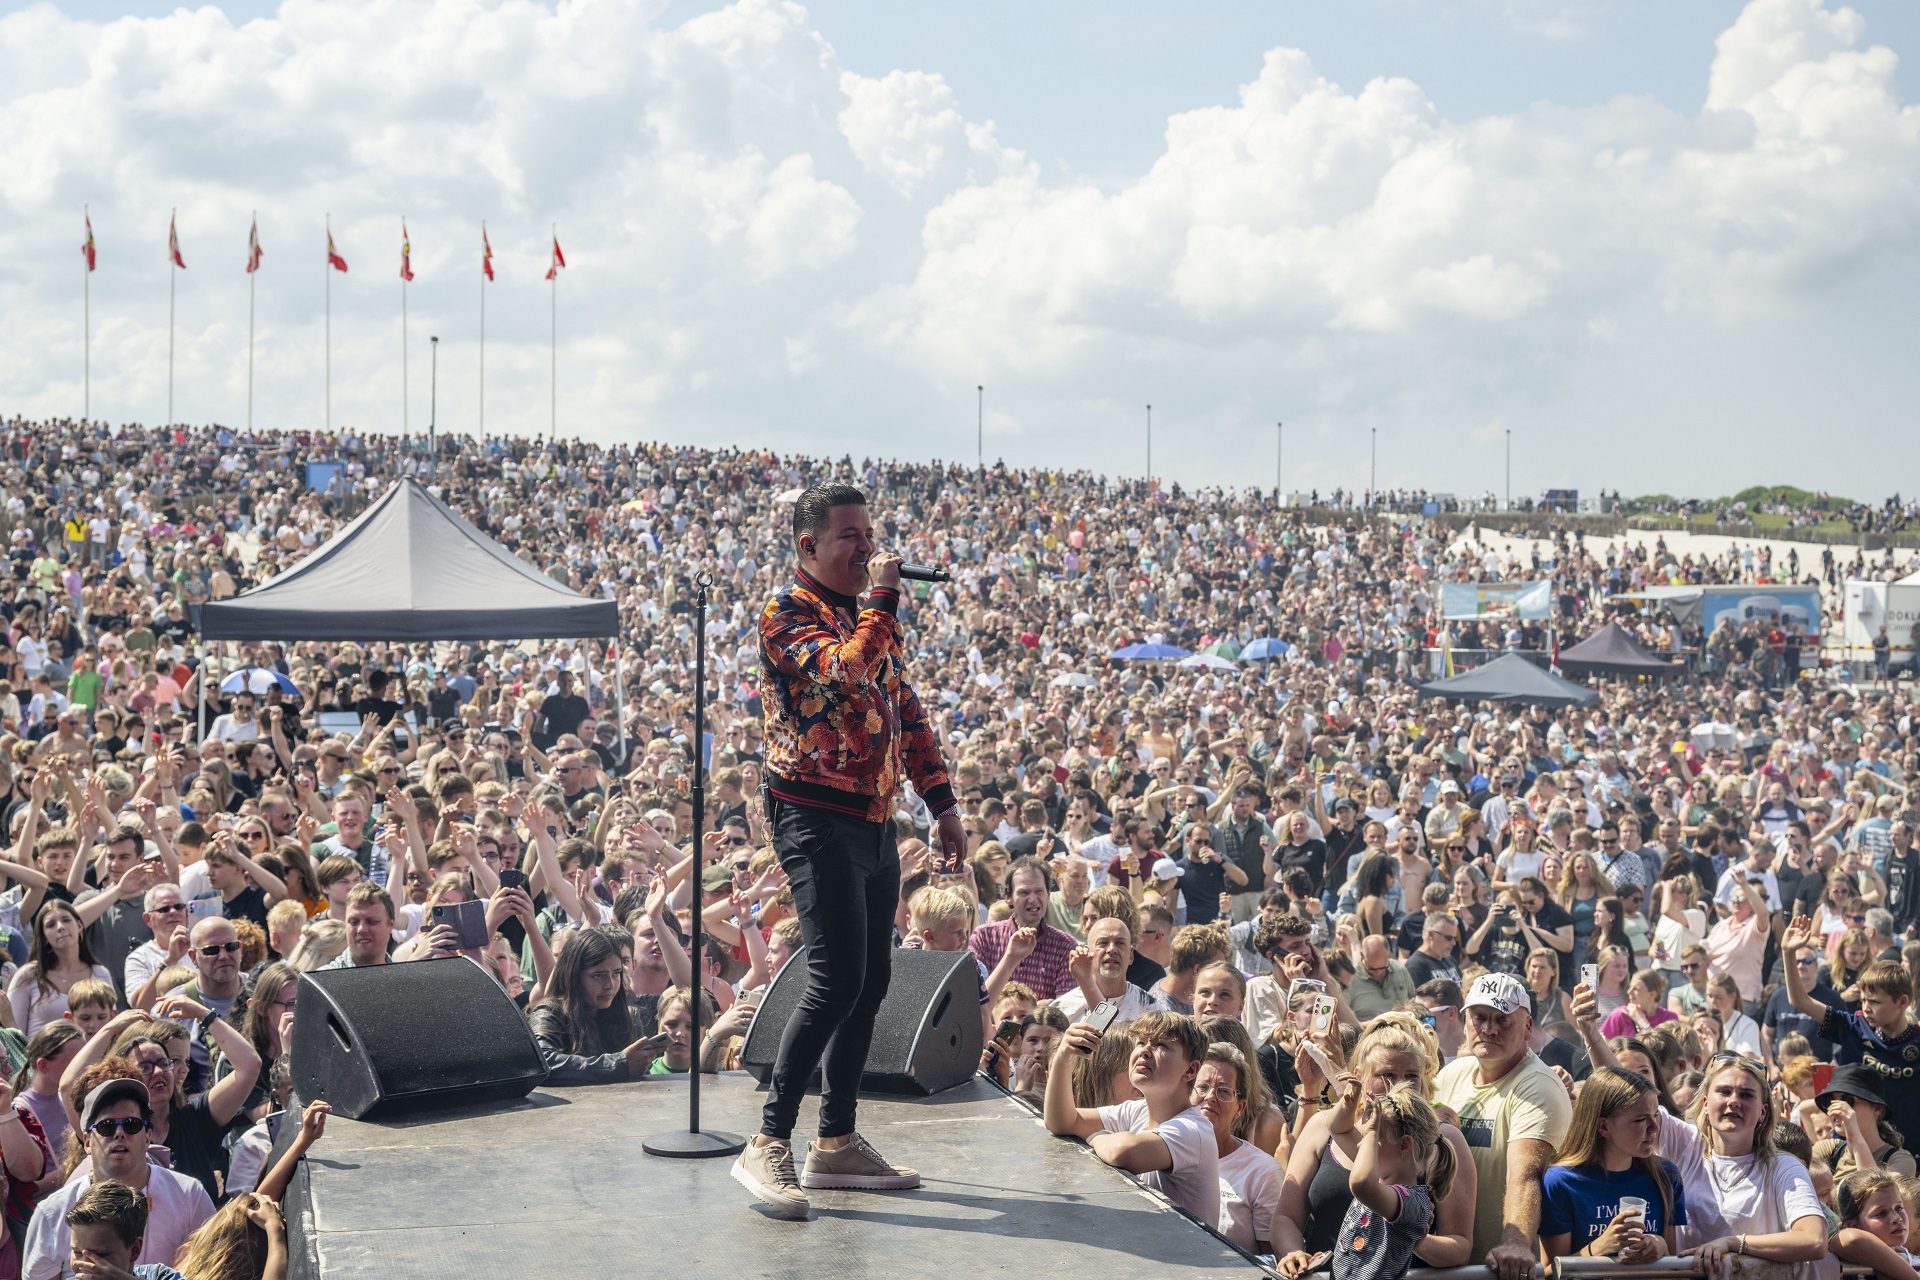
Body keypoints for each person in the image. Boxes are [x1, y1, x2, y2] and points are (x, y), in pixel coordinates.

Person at [732, 483, 966, 1219]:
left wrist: (942, 803)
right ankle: (767, 1139)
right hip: (813, 813)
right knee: (834, 977)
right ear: (808, 547)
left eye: (869, 534)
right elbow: (848, 671)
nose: (867, 547)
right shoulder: (787, 614)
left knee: (870, 981)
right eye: (850, 537)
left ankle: (834, 1140)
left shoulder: (868, 618)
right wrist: (886, 601)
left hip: (874, 816)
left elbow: (905, 711)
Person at [1572, 987, 1830, 1279]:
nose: (1733, 1101)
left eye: (1747, 1095)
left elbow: (1814, 1240)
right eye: (1723, 1092)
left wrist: (1734, 1244)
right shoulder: (1687, 1144)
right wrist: (1591, 1033)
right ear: (1706, 1104)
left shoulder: (1783, 1167)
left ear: (1763, 1112)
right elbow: (1623, 1093)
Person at [1275, 1014, 1477, 1272]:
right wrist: (1293, 1254)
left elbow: (1459, 1247)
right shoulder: (1322, 1126)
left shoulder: (1443, 1139)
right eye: (1387, 1074)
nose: (1401, 1084)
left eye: (1412, 1075)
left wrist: (1413, 1238)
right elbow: (1285, 1217)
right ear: (1359, 1075)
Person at [1431, 972, 1572, 1280]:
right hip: (1445, 1263)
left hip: (1503, 1269)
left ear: (1528, 1028)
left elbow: (1525, 1172)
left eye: (1502, 1020)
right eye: (1479, 1017)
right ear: (1466, 1021)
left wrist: (1516, 1243)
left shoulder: (1538, 1085)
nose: (1489, 1029)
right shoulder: (1450, 1075)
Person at [20, 1078, 216, 1279]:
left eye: (131, 1125)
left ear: (147, 1137)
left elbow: (212, 1271)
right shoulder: (52, 1213)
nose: (120, 1133)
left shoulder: (190, 1195)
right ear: (87, 1142)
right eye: (106, 1126)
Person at [1043, 1011, 1220, 1226]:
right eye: (1140, 1042)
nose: (1145, 1051)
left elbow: (1122, 1152)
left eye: (1161, 1045)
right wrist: (1063, 1059)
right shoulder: (1138, 1110)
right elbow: (1062, 1122)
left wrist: (1096, 1135)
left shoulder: (1194, 1130)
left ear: (1191, 1070)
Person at [1783, 912, 1920, 1152]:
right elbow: (1799, 1000)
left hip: (1908, 1154)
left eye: (1875, 1002)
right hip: (1852, 1149)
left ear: (1902, 1001)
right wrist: (1788, 952)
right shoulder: (1854, 1027)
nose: (1866, 1008)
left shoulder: (1917, 1042)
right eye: (1863, 1000)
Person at [1540, 1065, 1685, 1261]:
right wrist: (1599, 1247)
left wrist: (1661, 1247)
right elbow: (1550, 1272)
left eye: (1656, 1115)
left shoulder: (1666, 1175)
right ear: (1604, 1126)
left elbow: (1672, 1266)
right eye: (1641, 1119)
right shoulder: (1560, 1183)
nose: (1654, 1127)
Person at [1326, 1084, 1447, 1280]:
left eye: (1372, 1140)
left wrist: (1371, 1133)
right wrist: (1349, 1103)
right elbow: (1336, 1129)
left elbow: (1361, 1184)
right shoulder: (1379, 1178)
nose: (1361, 1143)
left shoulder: (1412, 1203)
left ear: (1404, 1145)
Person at [528, 925, 663, 1084]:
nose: (610, 985)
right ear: (573, 976)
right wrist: (618, 1064)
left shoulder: (629, 1016)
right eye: (598, 976)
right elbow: (543, 1063)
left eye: (616, 973)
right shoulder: (549, 1014)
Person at [1192, 1042, 1280, 1255]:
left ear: (1239, 1108)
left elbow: (1272, 1258)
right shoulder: (1162, 1155)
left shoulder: (1262, 1171)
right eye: (1202, 1087)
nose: (1210, 1096)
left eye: (1223, 1091)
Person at [60, 1179, 189, 1280]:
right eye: (77, 1252)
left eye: (99, 1255)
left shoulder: (158, 1275)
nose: (84, 1263)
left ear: (134, 1250)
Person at [1054, 915, 1166, 1022]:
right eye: (1103, 943)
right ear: (1088, 952)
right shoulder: (1063, 1010)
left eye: (1120, 943)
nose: (1112, 949)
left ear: (1131, 955)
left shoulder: (1152, 1011)